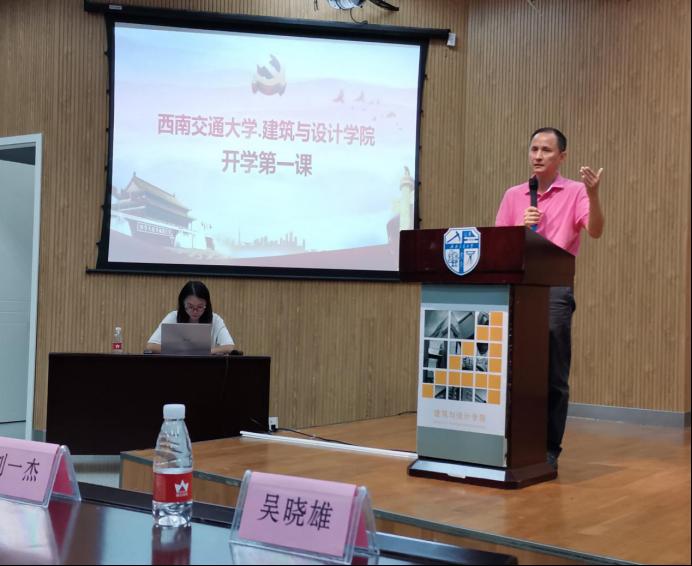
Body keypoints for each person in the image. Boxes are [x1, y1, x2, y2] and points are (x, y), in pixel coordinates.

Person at [495, 127, 604, 470]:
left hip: (555, 290)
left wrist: (594, 195)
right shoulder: (514, 195)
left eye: (546, 150)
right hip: (518, 290)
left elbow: (596, 230)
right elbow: (499, 246)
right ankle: (513, 442)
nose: (538, 156)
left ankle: (549, 448)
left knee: (553, 373)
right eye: (534, 149)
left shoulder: (575, 192)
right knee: (514, 370)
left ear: (562, 157)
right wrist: (519, 228)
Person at [145, 280, 236, 355]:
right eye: (190, 306)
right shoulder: (173, 317)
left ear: (207, 305)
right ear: (183, 304)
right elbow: (151, 346)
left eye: (200, 307)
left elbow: (229, 347)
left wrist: (205, 352)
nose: (195, 311)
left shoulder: (215, 319)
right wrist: (185, 351)